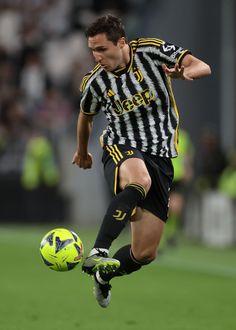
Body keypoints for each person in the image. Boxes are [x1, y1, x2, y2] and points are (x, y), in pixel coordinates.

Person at [72, 14, 211, 308]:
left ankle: (102, 278)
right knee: (140, 180)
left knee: (144, 253)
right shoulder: (96, 81)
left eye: (102, 50)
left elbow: (202, 66)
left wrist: (186, 73)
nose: (97, 58)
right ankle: (99, 249)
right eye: (92, 51)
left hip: (160, 155)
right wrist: (82, 150)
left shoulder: (150, 51)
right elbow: (86, 116)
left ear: (121, 42)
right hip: (120, 146)